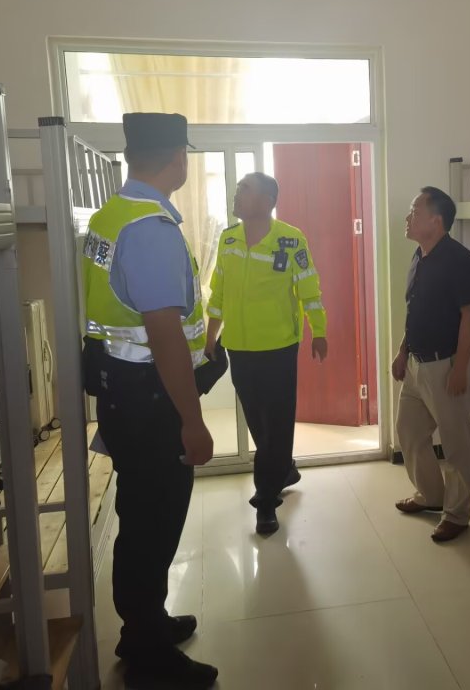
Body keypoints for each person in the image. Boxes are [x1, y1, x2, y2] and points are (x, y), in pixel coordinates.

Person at [81, 113, 218, 689]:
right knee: (154, 522)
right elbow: (163, 335)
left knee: (141, 516)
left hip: (121, 389)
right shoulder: (151, 228)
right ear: (177, 158)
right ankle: (146, 649)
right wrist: (193, 421)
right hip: (151, 399)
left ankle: (145, 624)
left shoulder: (110, 215)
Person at [205, 172, 328, 536]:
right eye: (237, 189)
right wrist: (212, 335)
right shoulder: (228, 239)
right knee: (258, 421)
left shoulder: (290, 239)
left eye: (244, 190)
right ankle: (282, 469)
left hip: (279, 348)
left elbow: (309, 288)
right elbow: (219, 291)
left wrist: (319, 330)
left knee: (277, 422)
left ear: (267, 201)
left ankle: (265, 500)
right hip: (239, 347)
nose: (236, 195)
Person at [392, 187, 470, 543]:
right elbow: (415, 311)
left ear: (436, 220)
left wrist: (460, 368)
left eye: (414, 211)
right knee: (409, 432)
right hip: (417, 364)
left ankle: (457, 514)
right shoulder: (420, 255)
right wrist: (403, 352)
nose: (408, 217)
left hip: (446, 366)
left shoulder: (460, 260)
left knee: (456, 444)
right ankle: (430, 495)